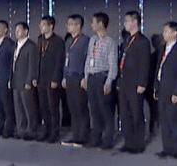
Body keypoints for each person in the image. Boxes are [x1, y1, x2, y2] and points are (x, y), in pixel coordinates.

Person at [84, 13, 119, 149]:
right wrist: (86, 77)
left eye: (93, 22)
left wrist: (109, 81)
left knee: (106, 110)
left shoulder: (110, 42)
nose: (91, 25)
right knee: (94, 110)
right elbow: (88, 59)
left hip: (102, 77)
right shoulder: (92, 40)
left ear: (100, 24)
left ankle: (108, 140)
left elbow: (113, 64)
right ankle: (95, 138)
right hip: (92, 78)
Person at [117, 11, 151, 154]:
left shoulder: (143, 41)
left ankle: (138, 144)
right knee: (125, 113)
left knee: (136, 112)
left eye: (127, 21)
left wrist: (142, 83)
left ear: (135, 22)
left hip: (136, 82)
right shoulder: (127, 40)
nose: (125, 24)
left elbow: (145, 63)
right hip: (124, 81)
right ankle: (128, 142)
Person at [155, 22, 177, 158]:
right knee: (164, 120)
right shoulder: (163, 49)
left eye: (166, 31)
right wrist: (156, 87)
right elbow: (158, 69)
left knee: (175, 120)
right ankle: (167, 148)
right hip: (162, 88)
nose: (163, 34)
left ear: (174, 33)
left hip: (173, 90)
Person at [61, 15, 89, 147]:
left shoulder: (85, 41)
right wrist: (64, 77)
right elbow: (66, 61)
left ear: (78, 25)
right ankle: (75, 135)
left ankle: (83, 136)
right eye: (67, 24)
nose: (68, 26)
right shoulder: (69, 41)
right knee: (72, 108)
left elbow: (87, 60)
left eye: (71, 24)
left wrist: (85, 77)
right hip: (69, 77)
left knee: (80, 107)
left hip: (79, 77)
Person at [36, 16, 65, 144]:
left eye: (43, 24)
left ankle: (55, 132)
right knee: (43, 107)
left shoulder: (58, 41)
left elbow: (59, 61)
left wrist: (55, 79)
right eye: (40, 25)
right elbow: (37, 60)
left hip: (52, 78)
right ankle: (46, 130)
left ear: (50, 26)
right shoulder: (40, 40)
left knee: (53, 107)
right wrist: (35, 77)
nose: (40, 27)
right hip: (41, 78)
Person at [11, 22, 40, 141]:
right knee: (18, 108)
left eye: (19, 30)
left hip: (25, 81)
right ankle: (20, 130)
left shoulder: (31, 46)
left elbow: (33, 65)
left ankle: (31, 130)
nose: (16, 32)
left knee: (29, 108)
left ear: (26, 31)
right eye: (16, 30)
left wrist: (29, 81)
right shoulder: (15, 45)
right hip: (16, 80)